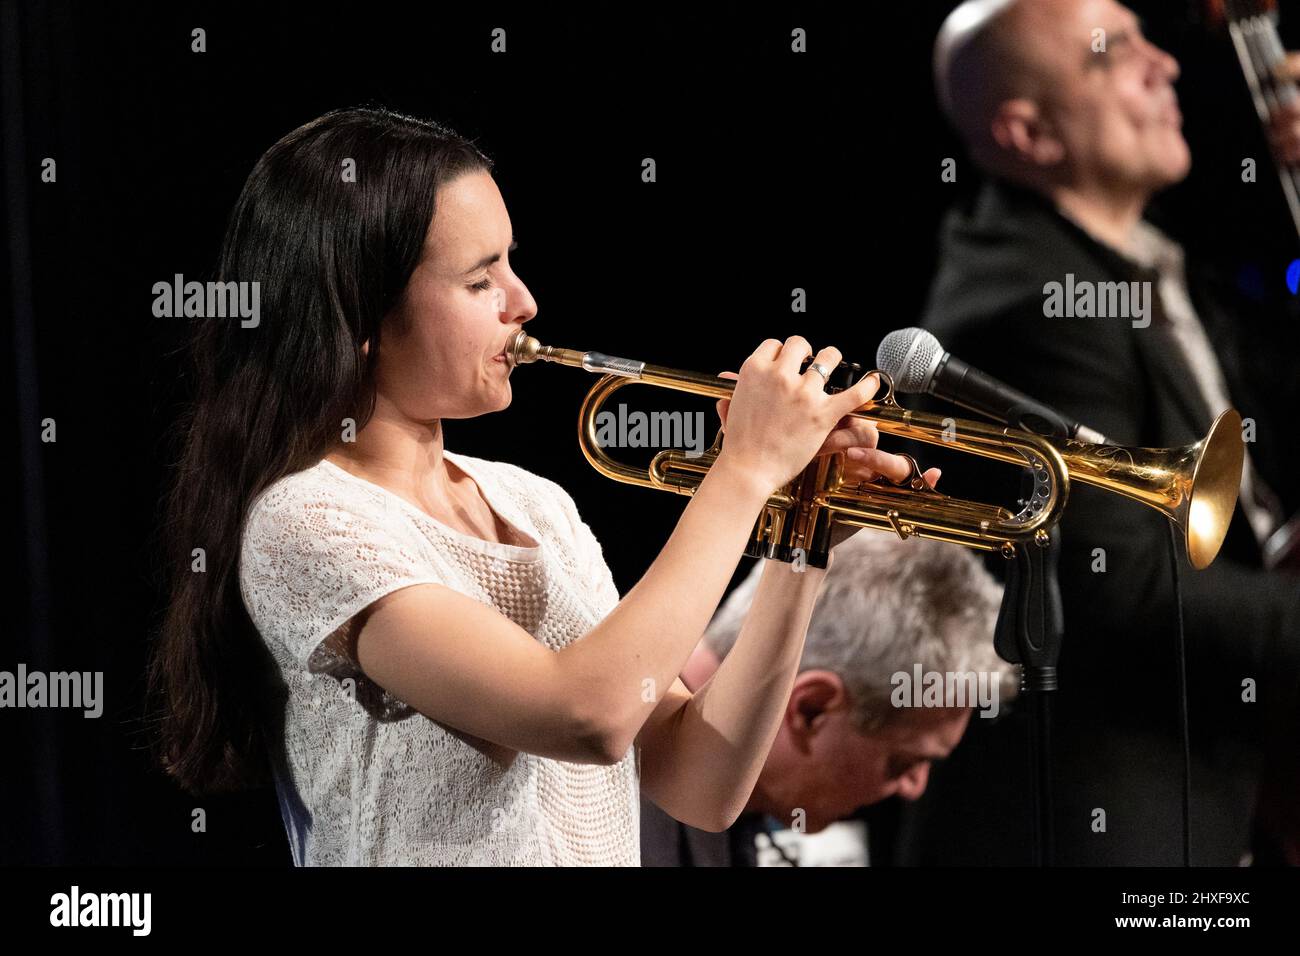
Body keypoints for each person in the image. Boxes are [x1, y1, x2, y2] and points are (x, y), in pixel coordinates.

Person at [147, 106, 939, 866]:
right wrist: (742, 471)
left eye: (512, 263)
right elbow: (586, 714)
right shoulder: (309, 521)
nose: (523, 302)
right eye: (478, 279)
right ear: (360, 316)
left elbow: (701, 782)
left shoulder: (534, 504)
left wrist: (801, 535)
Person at [902, 0, 1300, 865]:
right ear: (1030, 132)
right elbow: (1120, 591)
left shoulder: (1138, 262)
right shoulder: (1031, 301)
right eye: (1112, 52)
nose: (1165, 65)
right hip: (1102, 829)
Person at [640, 532, 1010, 866]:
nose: (915, 788)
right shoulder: (620, 812)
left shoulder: (726, 805)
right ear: (811, 709)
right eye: (902, 763)